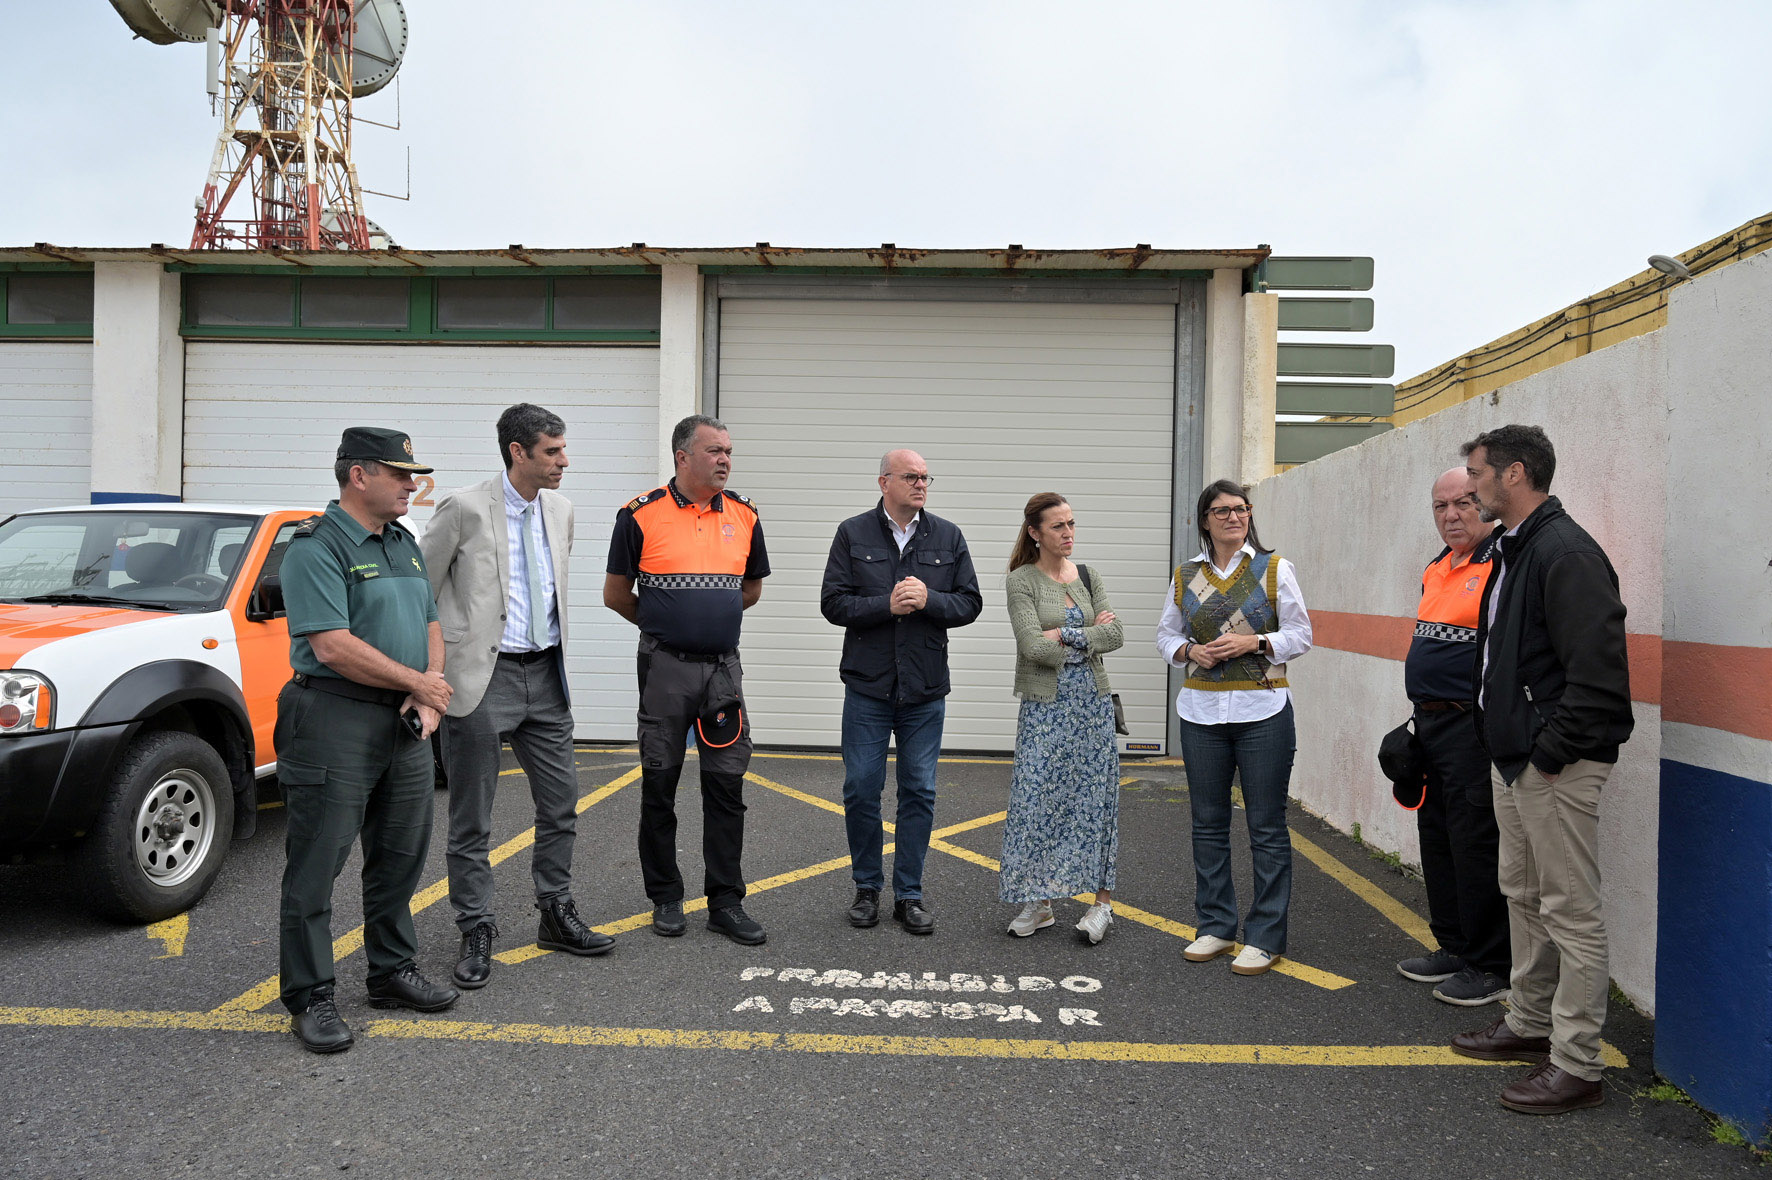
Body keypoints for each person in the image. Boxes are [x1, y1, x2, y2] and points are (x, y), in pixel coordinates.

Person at [1450, 425, 1633, 1116]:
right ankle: (1529, 1022)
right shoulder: (1516, 548)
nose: (1470, 486)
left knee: (1569, 910)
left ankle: (1577, 1061)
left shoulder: (1566, 552)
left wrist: (1550, 755)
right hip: (1517, 760)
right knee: (1522, 895)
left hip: (1552, 766)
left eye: (1478, 473)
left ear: (1515, 474)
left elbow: (1599, 678)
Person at [275, 427, 459, 1054]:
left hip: (404, 720)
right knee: (317, 866)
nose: (413, 484)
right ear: (359, 475)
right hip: (334, 717)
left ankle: (391, 972)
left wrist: (429, 688)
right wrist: (421, 685)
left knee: (400, 856)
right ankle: (311, 996)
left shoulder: (402, 543)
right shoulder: (316, 546)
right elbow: (330, 644)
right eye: (400, 473)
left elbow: (431, 619)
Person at [421, 403, 613, 993]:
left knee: (561, 804)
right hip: (481, 676)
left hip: (546, 675)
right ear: (518, 452)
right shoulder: (463, 507)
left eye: (563, 449)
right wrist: (428, 675)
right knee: (471, 816)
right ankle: (475, 926)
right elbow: (421, 592)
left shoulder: (562, 510)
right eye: (552, 452)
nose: (564, 462)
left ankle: (555, 912)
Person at [603, 415, 770, 945]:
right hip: (664, 669)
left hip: (723, 671)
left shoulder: (744, 514)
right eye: (714, 450)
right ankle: (666, 897)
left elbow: (749, 590)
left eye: (729, 451)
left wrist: (704, 626)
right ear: (683, 456)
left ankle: (725, 901)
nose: (724, 459)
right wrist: (665, 628)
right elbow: (615, 595)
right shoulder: (638, 515)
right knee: (660, 785)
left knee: (726, 787)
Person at [820, 450, 983, 935]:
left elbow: (970, 602)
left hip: (925, 690)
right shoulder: (853, 533)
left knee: (919, 791)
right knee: (861, 789)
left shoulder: (947, 536)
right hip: (868, 688)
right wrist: (885, 605)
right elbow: (833, 602)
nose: (921, 484)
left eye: (925, 477)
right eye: (911, 477)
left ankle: (909, 894)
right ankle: (867, 888)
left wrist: (930, 600)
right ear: (884, 481)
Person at [1155, 479, 1312, 977]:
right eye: (1221, 511)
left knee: (1266, 827)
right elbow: (1165, 635)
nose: (1232, 517)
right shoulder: (1185, 576)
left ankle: (1265, 937)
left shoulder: (1274, 569)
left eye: (1240, 509)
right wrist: (1188, 651)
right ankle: (1216, 927)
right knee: (1207, 824)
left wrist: (1256, 644)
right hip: (1201, 713)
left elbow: (1302, 634)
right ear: (1205, 520)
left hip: (1263, 712)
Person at [1395, 469, 1510, 1006]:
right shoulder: (1437, 566)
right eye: (1440, 506)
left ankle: (1491, 964)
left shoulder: (1502, 562)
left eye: (1462, 503)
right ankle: (1454, 945)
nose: (1451, 516)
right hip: (1430, 723)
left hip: (1473, 725)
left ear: (1484, 502)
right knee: (1437, 834)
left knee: (1475, 841)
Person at [1000, 493, 1123, 943]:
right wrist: (1088, 636)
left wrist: (1066, 634)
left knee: (1096, 802)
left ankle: (1102, 905)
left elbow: (1116, 634)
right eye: (1058, 526)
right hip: (1045, 708)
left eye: (1071, 524)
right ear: (1035, 532)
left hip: (1091, 705)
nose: (1068, 533)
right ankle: (1041, 901)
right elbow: (1033, 647)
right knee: (1037, 802)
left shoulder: (1088, 576)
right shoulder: (1022, 581)